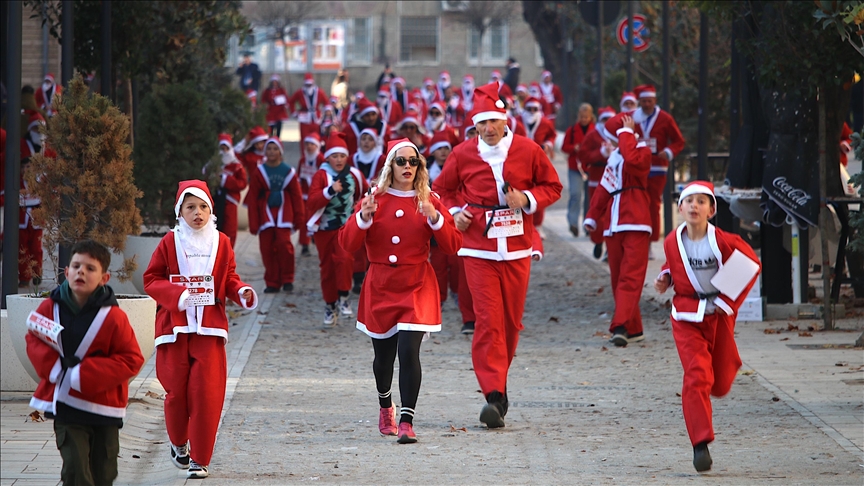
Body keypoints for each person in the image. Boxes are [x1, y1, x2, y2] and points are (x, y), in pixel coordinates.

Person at [432, 82, 562, 428]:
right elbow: (441, 190)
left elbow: (553, 186)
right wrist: (456, 212)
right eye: (481, 123)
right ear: (474, 126)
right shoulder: (461, 153)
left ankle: (499, 384)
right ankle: (494, 394)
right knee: (488, 320)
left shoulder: (529, 150)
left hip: (518, 246)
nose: (488, 129)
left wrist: (527, 199)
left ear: (505, 120)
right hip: (477, 247)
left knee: (510, 323)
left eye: (493, 121)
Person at [339, 138, 461, 444]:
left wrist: (435, 218)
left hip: (417, 284)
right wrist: (363, 218)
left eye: (413, 161)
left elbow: (453, 245)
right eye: (401, 161)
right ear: (390, 166)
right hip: (380, 285)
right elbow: (347, 244)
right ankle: (386, 406)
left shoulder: (429, 199)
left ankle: (407, 421)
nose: (408, 166)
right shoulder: (373, 199)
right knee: (383, 359)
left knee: (408, 351)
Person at [144, 180, 258, 479]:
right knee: (176, 392)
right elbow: (152, 279)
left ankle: (200, 458)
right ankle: (179, 441)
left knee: (207, 394)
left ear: (211, 210)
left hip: (210, 329)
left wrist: (241, 291)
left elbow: (229, 277)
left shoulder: (222, 242)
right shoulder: (169, 242)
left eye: (203, 207)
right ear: (179, 212)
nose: (197, 213)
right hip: (175, 328)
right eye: (190, 207)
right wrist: (177, 296)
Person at [654, 181, 761, 473]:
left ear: (711, 211)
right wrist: (666, 277)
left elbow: (750, 262)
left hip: (717, 316)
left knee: (720, 382)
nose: (694, 206)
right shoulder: (672, 240)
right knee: (697, 375)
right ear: (680, 208)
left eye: (701, 202)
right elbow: (673, 264)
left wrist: (727, 299)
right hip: (686, 317)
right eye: (689, 201)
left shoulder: (723, 240)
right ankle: (700, 444)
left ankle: (718, 381)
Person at [26, 240, 145, 486]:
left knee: (103, 475)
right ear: (66, 271)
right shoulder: (50, 307)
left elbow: (132, 359)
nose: (81, 271)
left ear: (104, 278)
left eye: (90, 268)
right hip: (66, 405)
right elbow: (34, 338)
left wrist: (84, 374)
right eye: (76, 266)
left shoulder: (114, 317)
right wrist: (55, 368)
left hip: (105, 407)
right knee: (75, 472)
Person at [583, 113, 653, 347]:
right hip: (613, 224)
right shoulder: (614, 157)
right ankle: (634, 329)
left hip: (636, 221)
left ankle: (620, 326)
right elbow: (604, 188)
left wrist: (625, 133)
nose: (610, 142)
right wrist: (592, 215)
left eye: (614, 137)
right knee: (617, 278)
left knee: (630, 277)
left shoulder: (642, 151)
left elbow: (633, 161)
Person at [306, 132, 368, 325]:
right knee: (327, 267)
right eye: (335, 156)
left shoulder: (354, 174)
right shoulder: (321, 175)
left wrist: (360, 209)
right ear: (327, 158)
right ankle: (330, 305)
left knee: (344, 259)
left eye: (342, 156)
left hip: (346, 226)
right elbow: (312, 202)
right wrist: (329, 191)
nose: (339, 160)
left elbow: (364, 193)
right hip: (324, 228)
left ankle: (344, 295)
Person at [632, 85, 686, 259]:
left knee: (653, 205)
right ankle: (638, 241)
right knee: (637, 205)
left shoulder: (665, 118)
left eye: (649, 101)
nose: (647, 104)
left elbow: (679, 141)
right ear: (639, 102)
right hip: (637, 167)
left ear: (655, 101)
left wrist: (668, 151)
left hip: (657, 168)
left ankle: (649, 242)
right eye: (643, 101)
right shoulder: (633, 118)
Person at [247, 138, 305, 293]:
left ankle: (287, 278)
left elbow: (297, 195)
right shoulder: (259, 172)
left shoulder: (288, 172)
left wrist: (299, 217)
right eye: (269, 149)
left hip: (284, 215)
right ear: (265, 152)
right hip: (265, 216)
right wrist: (253, 222)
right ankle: (272, 281)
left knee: (284, 246)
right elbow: (252, 198)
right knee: (266, 249)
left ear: (280, 151)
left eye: (275, 149)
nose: (272, 152)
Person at [18, 112, 55, 286]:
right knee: (22, 247)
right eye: (35, 129)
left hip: (38, 212)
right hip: (22, 214)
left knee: (36, 247)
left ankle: (37, 272)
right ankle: (24, 277)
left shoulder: (49, 149)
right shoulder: (21, 146)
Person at [578, 107, 616, 258]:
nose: (607, 122)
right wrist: (600, 153)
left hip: (616, 182)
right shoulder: (593, 135)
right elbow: (583, 156)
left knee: (612, 213)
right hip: (596, 179)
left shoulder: (621, 135)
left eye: (610, 119)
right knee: (597, 211)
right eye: (605, 119)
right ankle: (598, 241)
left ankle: (610, 247)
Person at [522, 96, 557, 238]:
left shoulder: (545, 122)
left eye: (534, 109)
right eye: (529, 109)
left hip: (539, 160)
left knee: (539, 191)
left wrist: (548, 144)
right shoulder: (517, 121)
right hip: (521, 161)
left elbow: (552, 136)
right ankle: (525, 223)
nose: (532, 111)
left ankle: (538, 224)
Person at [561, 103, 596, 237]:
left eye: (586, 117)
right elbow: (564, 147)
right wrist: (573, 148)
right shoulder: (572, 130)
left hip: (591, 168)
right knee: (575, 194)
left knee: (590, 197)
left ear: (591, 117)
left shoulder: (595, 130)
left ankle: (588, 224)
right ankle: (573, 223)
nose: (584, 119)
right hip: (575, 167)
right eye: (582, 117)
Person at [214, 134, 248, 247]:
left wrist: (225, 180)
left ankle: (227, 251)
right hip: (215, 199)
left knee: (229, 227)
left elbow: (242, 183)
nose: (224, 152)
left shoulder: (237, 166)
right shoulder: (213, 164)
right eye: (221, 148)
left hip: (230, 201)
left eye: (226, 148)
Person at [297, 132, 325, 256]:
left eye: (312, 144)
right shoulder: (303, 160)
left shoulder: (321, 159)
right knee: (304, 220)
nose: (309, 147)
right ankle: (304, 245)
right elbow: (298, 177)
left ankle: (316, 239)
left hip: (317, 195)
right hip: (304, 196)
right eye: (307, 144)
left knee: (317, 219)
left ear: (317, 146)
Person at [289, 73, 328, 139]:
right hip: (304, 118)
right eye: (307, 84)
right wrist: (294, 113)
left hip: (316, 118)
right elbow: (291, 102)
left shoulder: (319, 92)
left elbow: (326, 102)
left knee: (316, 137)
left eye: (310, 84)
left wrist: (325, 113)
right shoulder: (300, 92)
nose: (309, 86)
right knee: (304, 137)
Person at [261, 74, 290, 138]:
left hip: (279, 111)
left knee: (278, 127)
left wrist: (286, 104)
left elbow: (286, 98)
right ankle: (271, 138)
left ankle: (277, 138)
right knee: (271, 128)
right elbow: (263, 100)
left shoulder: (281, 90)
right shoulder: (267, 90)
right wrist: (263, 107)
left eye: (276, 82)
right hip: (270, 111)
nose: (274, 83)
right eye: (273, 82)